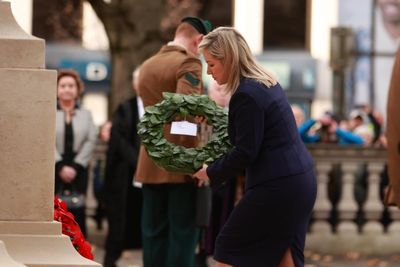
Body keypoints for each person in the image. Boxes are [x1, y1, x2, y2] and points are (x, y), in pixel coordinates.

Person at [193, 27, 317, 267]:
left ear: (227, 58)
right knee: (285, 256)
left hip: (277, 187)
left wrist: (209, 172)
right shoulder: (265, 82)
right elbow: (250, 133)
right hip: (298, 182)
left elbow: (245, 151)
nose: (209, 72)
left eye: (212, 64)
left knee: (228, 250)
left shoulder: (246, 94)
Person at [134, 17, 212, 267]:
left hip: (149, 158)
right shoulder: (189, 61)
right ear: (198, 40)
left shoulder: (147, 64)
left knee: (153, 233)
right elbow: (186, 109)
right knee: (182, 234)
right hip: (180, 157)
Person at [103, 68, 143, 267]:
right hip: (125, 178)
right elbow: (118, 140)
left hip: (150, 179)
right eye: (139, 80)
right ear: (135, 84)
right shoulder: (124, 108)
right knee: (118, 227)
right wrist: (138, 163)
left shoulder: (161, 108)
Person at [55, 69, 97, 237]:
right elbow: (43, 139)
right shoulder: (48, 113)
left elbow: (91, 139)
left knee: (78, 211)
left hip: (79, 169)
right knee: (54, 210)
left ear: (77, 90)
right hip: (53, 168)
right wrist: (59, 165)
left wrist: (76, 165)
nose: (67, 89)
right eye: (63, 85)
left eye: (71, 86)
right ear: (57, 89)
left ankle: (80, 251)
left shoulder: (86, 115)